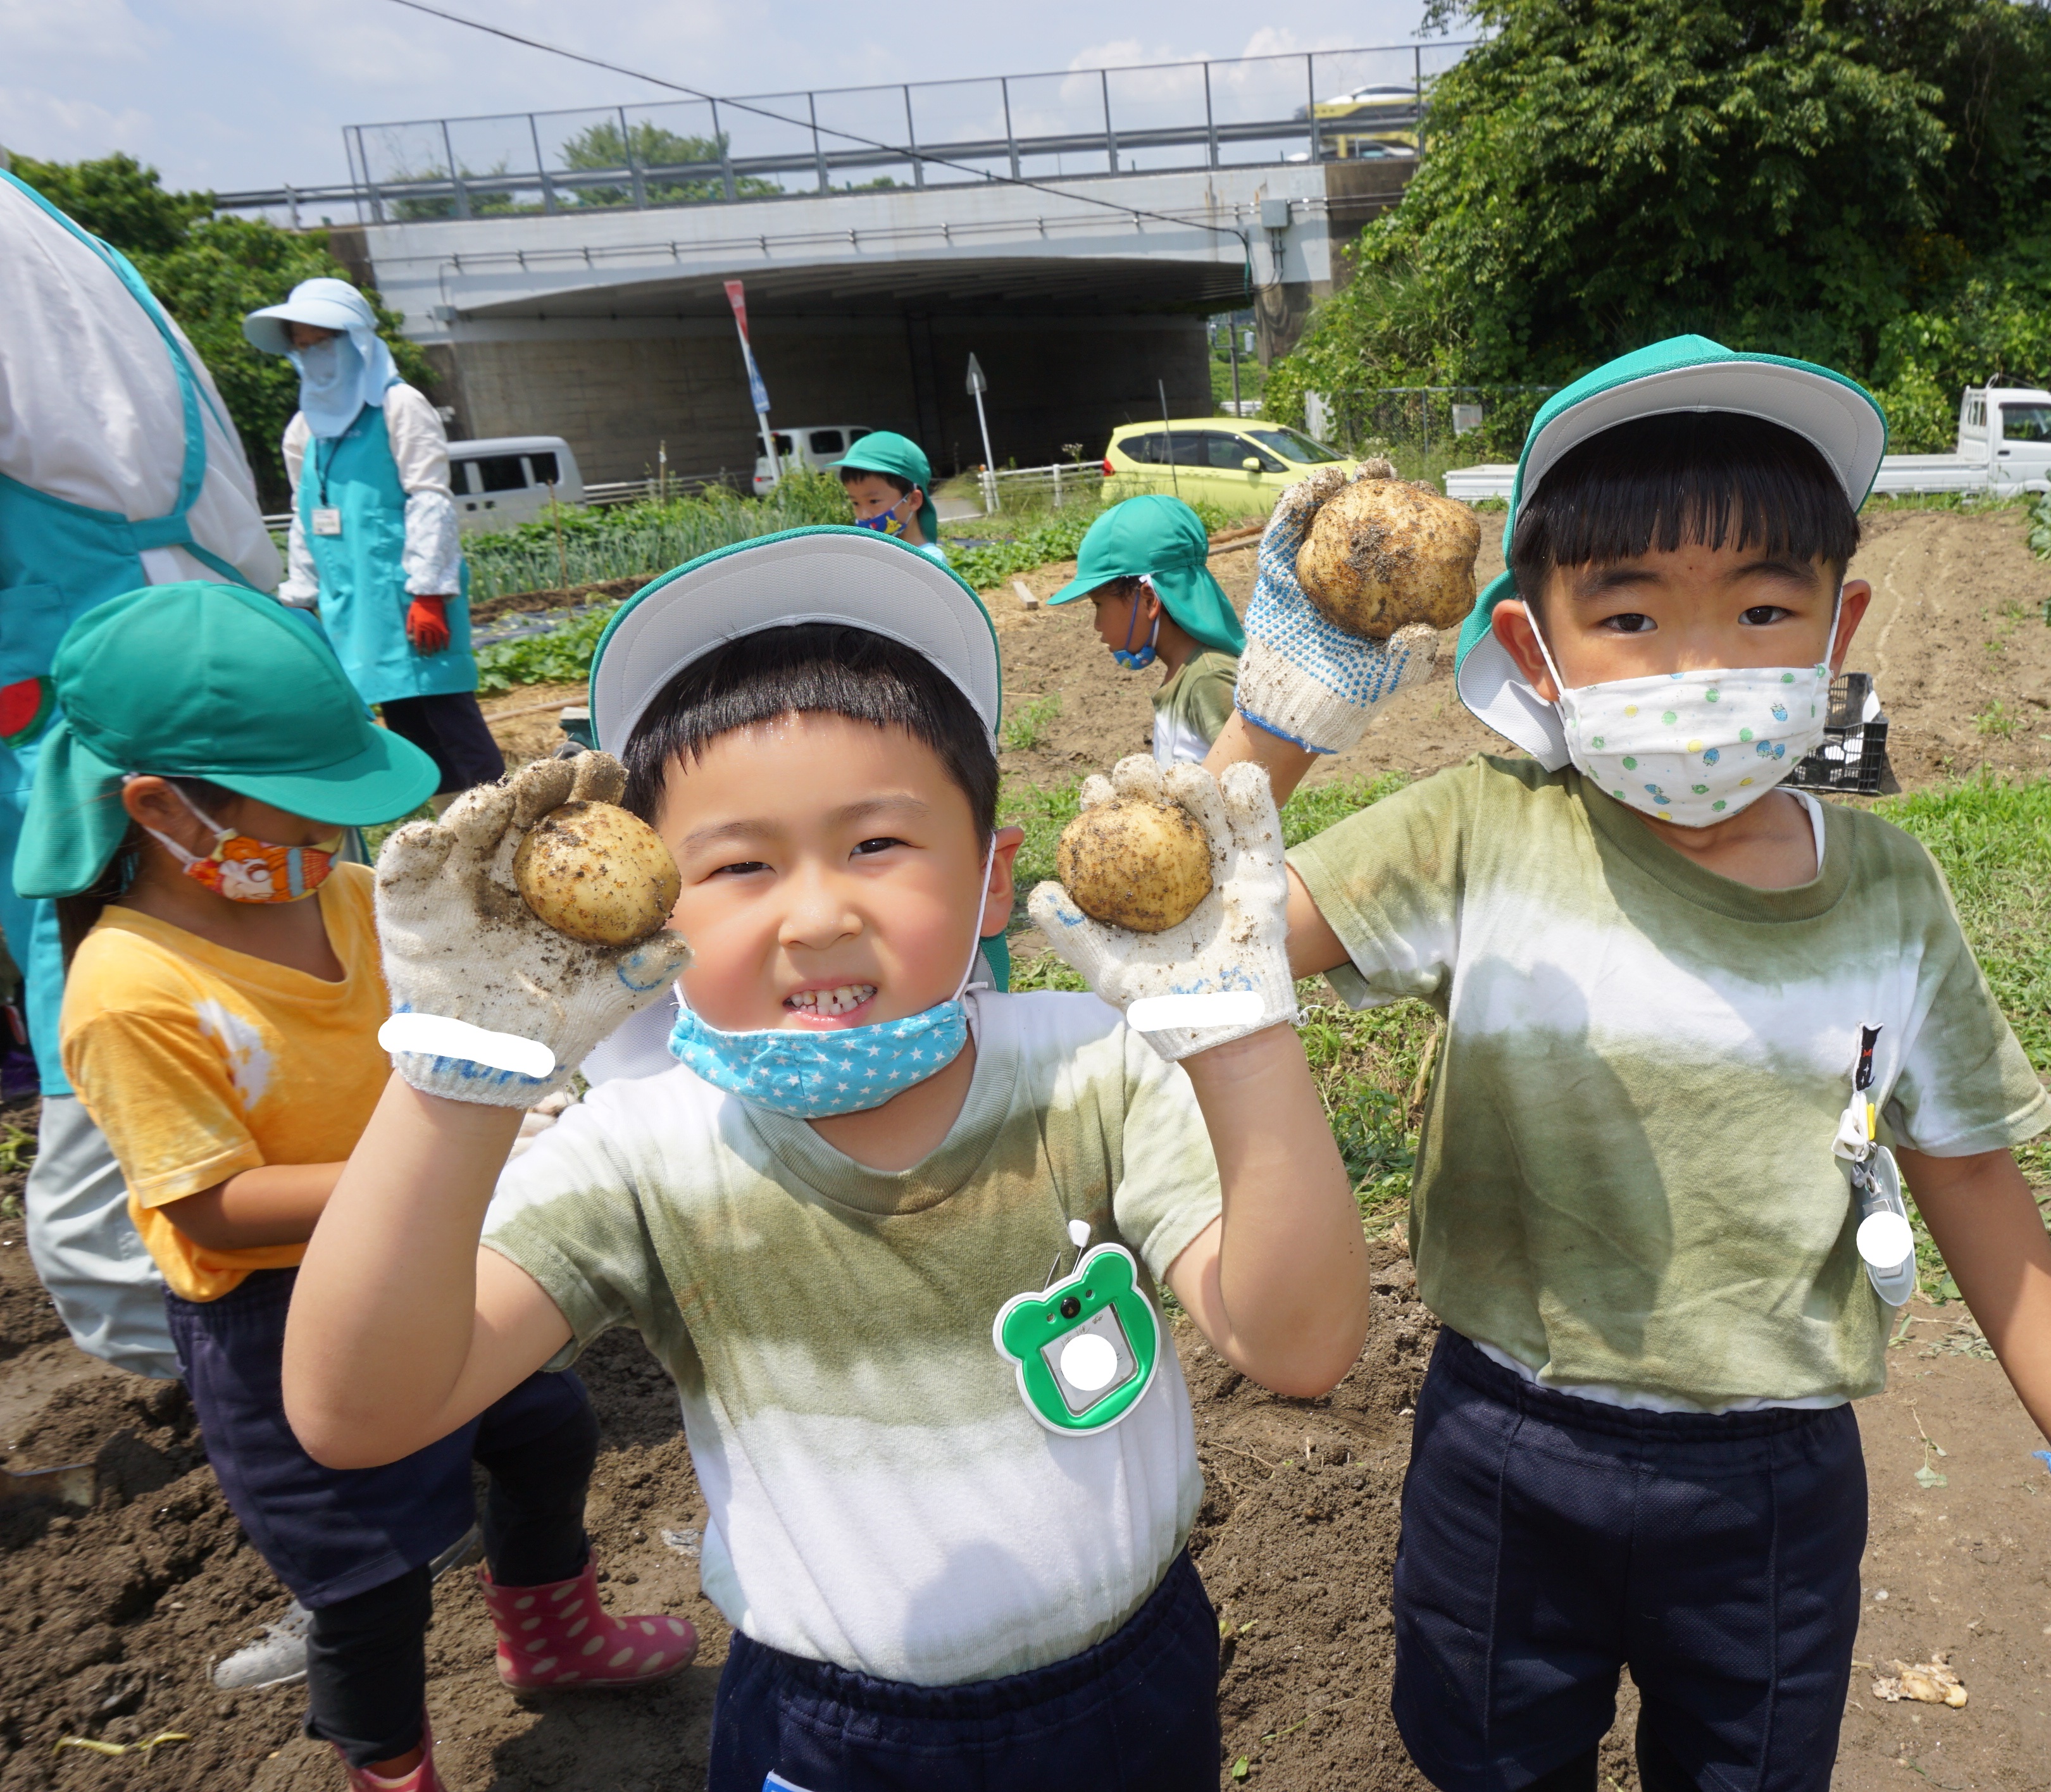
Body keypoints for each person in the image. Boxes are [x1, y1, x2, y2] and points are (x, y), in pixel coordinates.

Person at [1206, 337, 2051, 1791]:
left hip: (1772, 1476)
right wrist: (1282, 713)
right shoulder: (1478, 835)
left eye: (1764, 608)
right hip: (1508, 1444)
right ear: (1534, 646)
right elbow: (1201, 922)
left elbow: (1965, 1165)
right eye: (1631, 614)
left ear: (1838, 633)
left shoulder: (1887, 890)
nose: (1701, 666)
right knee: (1491, 1764)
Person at [282, 526, 1368, 1789]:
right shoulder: (645, 1153)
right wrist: (454, 1080)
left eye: (877, 846)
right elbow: (359, 1412)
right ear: (648, 911)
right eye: (739, 865)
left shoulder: (1088, 1068)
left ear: (993, 879)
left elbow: (1299, 1345)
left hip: (1132, 1682)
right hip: (835, 1734)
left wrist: (1238, 1043)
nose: (817, 913)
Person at [20, 580, 692, 1792]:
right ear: (162, 810)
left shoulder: (348, 899)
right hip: (274, 1322)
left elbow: (458, 1019)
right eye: (308, 816)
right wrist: (458, 1152)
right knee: (368, 1579)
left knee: (547, 1428)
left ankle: (549, 1639)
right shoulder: (132, 989)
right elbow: (206, 1207)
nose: (336, 845)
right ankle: (392, 1768)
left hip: (434, 1251)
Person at [0, 169, 282, 1388]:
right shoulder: (60, 243)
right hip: (138, 664)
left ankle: (242, 1383)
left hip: (100, 683)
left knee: (136, 1115)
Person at [244, 278, 506, 802]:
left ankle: (501, 826)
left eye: (322, 342)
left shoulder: (398, 406)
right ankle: (452, 839)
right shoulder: (305, 428)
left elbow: (429, 498)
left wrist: (430, 591)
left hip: (408, 600)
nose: (312, 356)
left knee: (449, 716)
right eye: (301, 345)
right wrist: (300, 593)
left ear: (356, 341)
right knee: (406, 722)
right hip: (352, 607)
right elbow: (304, 514)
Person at [1049, 494, 1245, 764]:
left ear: (1149, 599)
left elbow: (1249, 790)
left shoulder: (1208, 680)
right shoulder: (1186, 676)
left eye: (1098, 605)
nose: (1096, 626)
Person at [835, 429, 949, 563]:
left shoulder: (929, 562)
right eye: (855, 503)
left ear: (913, 500)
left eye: (873, 501)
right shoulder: (866, 558)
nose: (864, 515)